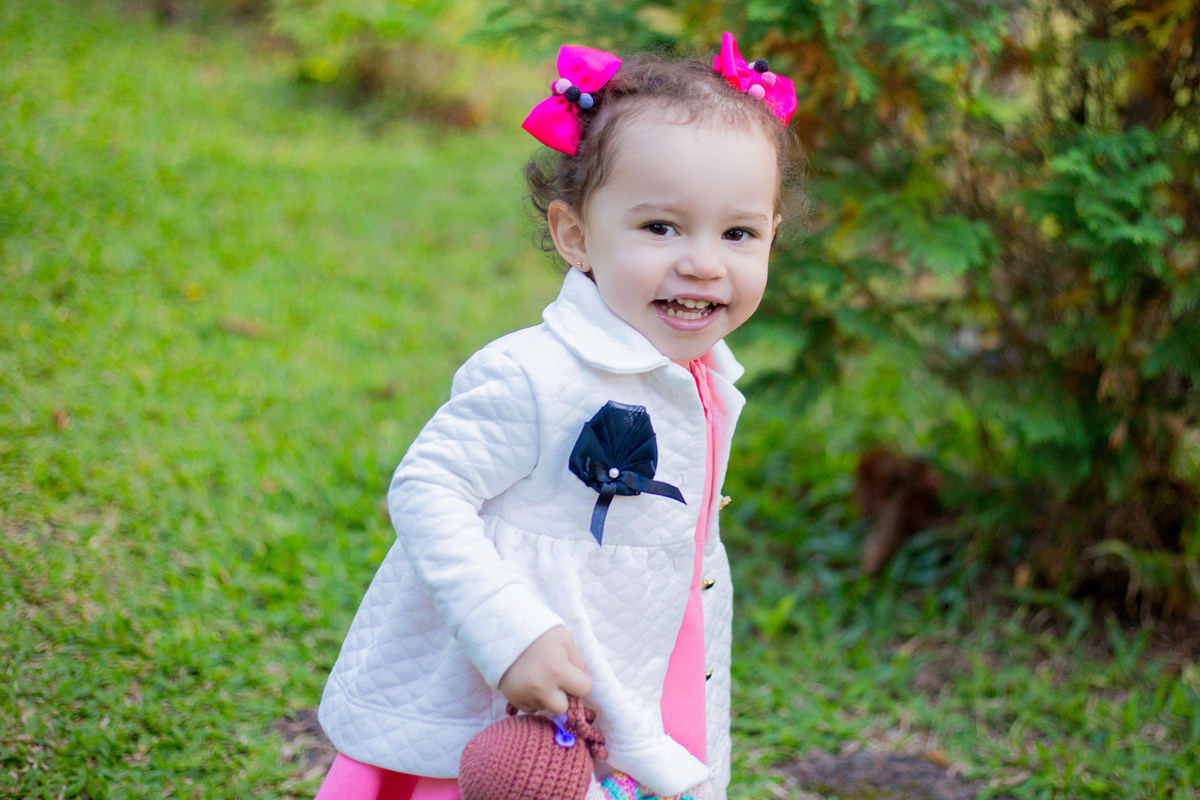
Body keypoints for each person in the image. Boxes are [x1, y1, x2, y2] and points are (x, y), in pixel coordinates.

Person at [314, 32, 801, 800]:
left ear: (772, 236)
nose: (704, 263)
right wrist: (509, 633)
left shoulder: (700, 374)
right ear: (576, 236)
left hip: (630, 669)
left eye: (737, 233)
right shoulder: (536, 375)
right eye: (661, 227)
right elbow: (427, 490)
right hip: (508, 697)